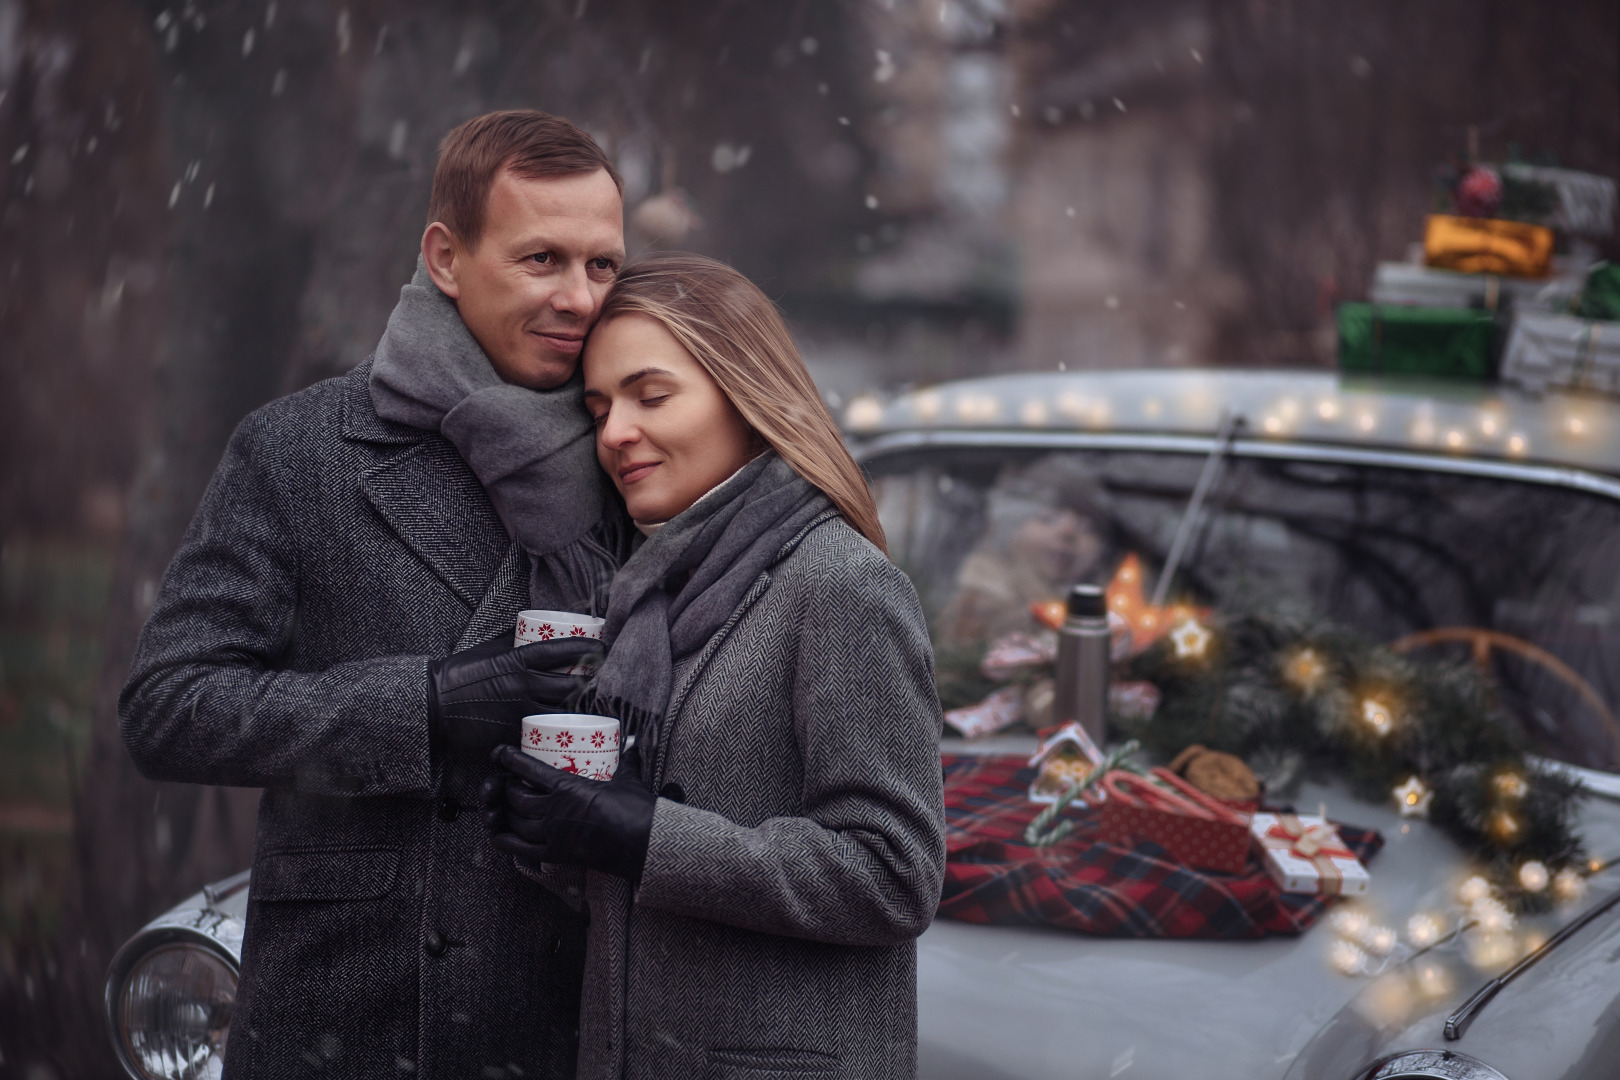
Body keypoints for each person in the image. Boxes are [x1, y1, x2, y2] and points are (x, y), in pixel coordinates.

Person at [119, 110, 631, 1078]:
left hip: (577, 1011)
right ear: (446, 257)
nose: (578, 298)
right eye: (541, 261)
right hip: (353, 1011)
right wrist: (425, 704)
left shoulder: (638, 450)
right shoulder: (300, 449)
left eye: (602, 266)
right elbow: (168, 708)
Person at [482, 252, 947, 1080]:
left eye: (650, 395)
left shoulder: (838, 584)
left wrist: (647, 836)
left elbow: (893, 872)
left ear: (745, 394)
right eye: (598, 408)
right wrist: (556, 827)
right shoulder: (644, 593)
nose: (616, 432)